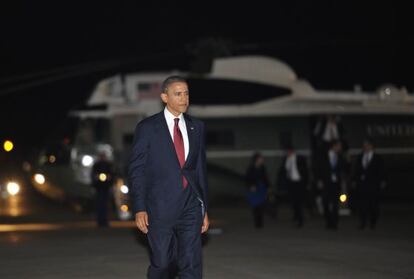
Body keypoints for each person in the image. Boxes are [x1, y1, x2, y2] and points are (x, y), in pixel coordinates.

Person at [128, 75, 209, 279]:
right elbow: (137, 170)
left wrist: (203, 208)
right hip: (159, 207)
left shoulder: (197, 127)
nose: (184, 98)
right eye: (178, 94)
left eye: (186, 93)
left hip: (190, 204)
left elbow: (199, 169)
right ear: (165, 97)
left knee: (191, 263)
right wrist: (139, 207)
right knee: (163, 263)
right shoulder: (147, 128)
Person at [352, 138, 386, 230]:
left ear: (371, 146)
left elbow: (382, 171)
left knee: (373, 205)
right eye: (363, 145)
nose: (365, 147)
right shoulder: (360, 157)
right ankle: (362, 222)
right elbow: (356, 170)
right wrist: (354, 180)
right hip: (362, 185)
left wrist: (382, 181)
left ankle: (373, 222)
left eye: (366, 145)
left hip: (373, 185)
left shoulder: (377, 158)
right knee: (362, 205)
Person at [315, 140, 346, 230]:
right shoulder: (324, 156)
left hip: (336, 183)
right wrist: (319, 180)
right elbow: (318, 168)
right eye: (339, 146)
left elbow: (343, 169)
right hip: (326, 183)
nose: (340, 148)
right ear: (334, 146)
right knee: (325, 202)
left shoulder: (340, 157)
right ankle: (328, 221)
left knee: (335, 203)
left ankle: (335, 223)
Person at [277, 145, 309, 228]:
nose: (287, 153)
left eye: (288, 151)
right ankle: (296, 216)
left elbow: (305, 171)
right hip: (291, 183)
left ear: (292, 151)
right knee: (293, 201)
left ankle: (300, 219)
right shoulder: (286, 160)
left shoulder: (300, 158)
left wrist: (306, 182)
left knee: (299, 201)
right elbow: (283, 171)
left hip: (299, 182)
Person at [245, 152, 269, 229]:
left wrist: (269, 186)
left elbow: (265, 178)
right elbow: (247, 179)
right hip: (253, 189)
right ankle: (257, 222)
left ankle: (260, 222)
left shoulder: (263, 168)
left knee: (261, 205)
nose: (262, 160)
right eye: (260, 158)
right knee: (255, 205)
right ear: (257, 159)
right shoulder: (251, 168)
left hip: (261, 188)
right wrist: (251, 186)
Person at [91, 152, 114, 227]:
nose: (102, 158)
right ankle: (99, 221)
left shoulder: (108, 165)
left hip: (106, 188)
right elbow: (93, 176)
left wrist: (108, 178)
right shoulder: (96, 165)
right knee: (99, 205)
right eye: (101, 156)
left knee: (106, 206)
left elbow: (112, 176)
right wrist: (97, 178)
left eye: (103, 156)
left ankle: (105, 221)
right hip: (99, 188)